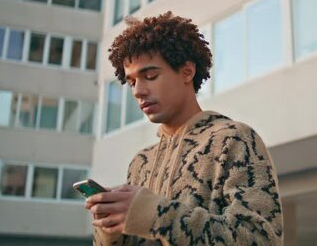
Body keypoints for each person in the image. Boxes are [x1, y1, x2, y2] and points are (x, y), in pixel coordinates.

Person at [85, 12, 283, 245]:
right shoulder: (140, 163)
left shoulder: (234, 139)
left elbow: (259, 239)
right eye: (132, 82)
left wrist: (157, 215)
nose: (138, 90)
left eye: (150, 75)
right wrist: (110, 233)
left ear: (187, 71)